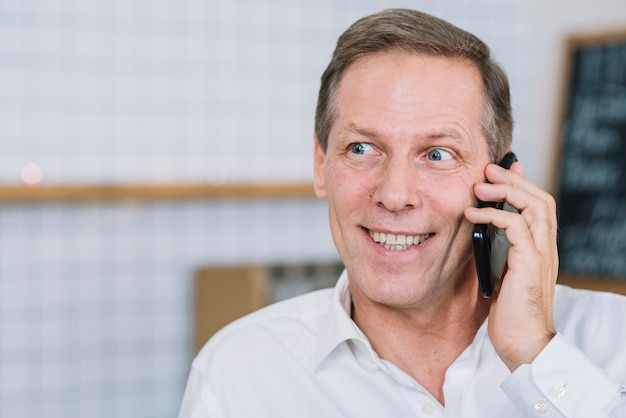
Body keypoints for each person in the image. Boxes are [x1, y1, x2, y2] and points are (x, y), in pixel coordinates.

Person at [178, 9, 626, 417]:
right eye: (362, 148)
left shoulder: (614, 338)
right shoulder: (238, 373)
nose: (394, 195)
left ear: (502, 183)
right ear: (321, 167)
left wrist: (537, 355)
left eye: (437, 154)